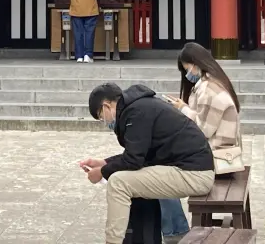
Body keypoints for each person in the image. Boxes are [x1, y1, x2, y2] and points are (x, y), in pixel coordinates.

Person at [81, 83, 215, 244]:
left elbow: (133, 160)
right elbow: (139, 154)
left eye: (101, 116)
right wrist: (104, 162)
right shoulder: (141, 106)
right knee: (128, 179)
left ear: (106, 106)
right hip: (192, 169)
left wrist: (102, 172)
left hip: (194, 174)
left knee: (118, 183)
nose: (105, 122)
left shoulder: (136, 112)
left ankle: (112, 241)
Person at [159, 42, 243, 243]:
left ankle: (175, 233)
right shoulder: (213, 82)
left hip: (215, 160)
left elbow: (203, 130)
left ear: (196, 64)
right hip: (221, 155)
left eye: (187, 68)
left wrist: (182, 109)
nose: (188, 73)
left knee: (160, 178)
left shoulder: (208, 89)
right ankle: (175, 230)